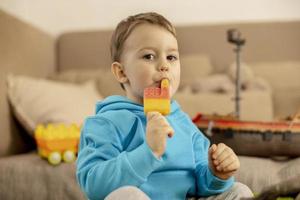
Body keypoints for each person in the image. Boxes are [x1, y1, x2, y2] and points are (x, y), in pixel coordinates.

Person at [76, 12, 253, 200]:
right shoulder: (104, 123)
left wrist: (217, 174)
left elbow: (201, 185)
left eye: (171, 57)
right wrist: (148, 151)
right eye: (149, 56)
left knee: (239, 191)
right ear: (121, 72)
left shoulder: (184, 123)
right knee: (126, 195)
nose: (164, 66)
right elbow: (94, 187)